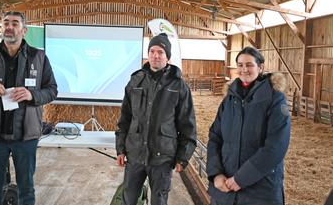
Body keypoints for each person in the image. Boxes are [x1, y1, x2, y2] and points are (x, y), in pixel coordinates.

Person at [0, 11, 58, 205]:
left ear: (24, 30)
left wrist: (32, 94)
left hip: (25, 137)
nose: (9, 27)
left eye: (15, 23)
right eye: (6, 23)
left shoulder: (39, 57)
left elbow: (52, 90)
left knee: (26, 189)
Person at [115, 33, 197, 205]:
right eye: (152, 51)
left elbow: (187, 125)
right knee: (128, 199)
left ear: (168, 57)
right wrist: (120, 149)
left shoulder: (179, 87)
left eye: (160, 52)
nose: (155, 55)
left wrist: (183, 157)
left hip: (163, 158)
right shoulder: (135, 81)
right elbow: (125, 119)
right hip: (135, 154)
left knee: (159, 201)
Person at [206, 46, 291, 205]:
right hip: (225, 190)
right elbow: (215, 137)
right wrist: (216, 174)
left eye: (249, 65)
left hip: (260, 193)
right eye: (240, 65)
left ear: (260, 67)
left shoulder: (275, 99)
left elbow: (276, 146)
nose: (244, 69)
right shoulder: (229, 100)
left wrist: (241, 179)